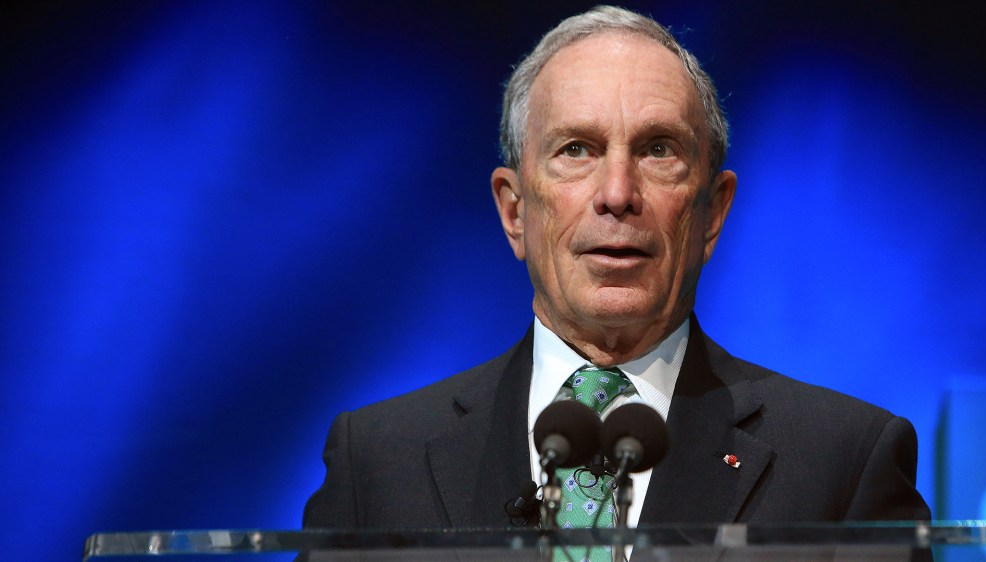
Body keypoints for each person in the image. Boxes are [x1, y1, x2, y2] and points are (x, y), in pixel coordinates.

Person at [303, 5, 930, 532]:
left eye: (659, 150)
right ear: (514, 211)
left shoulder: (843, 462)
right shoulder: (379, 460)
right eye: (577, 149)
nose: (618, 192)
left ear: (712, 213)